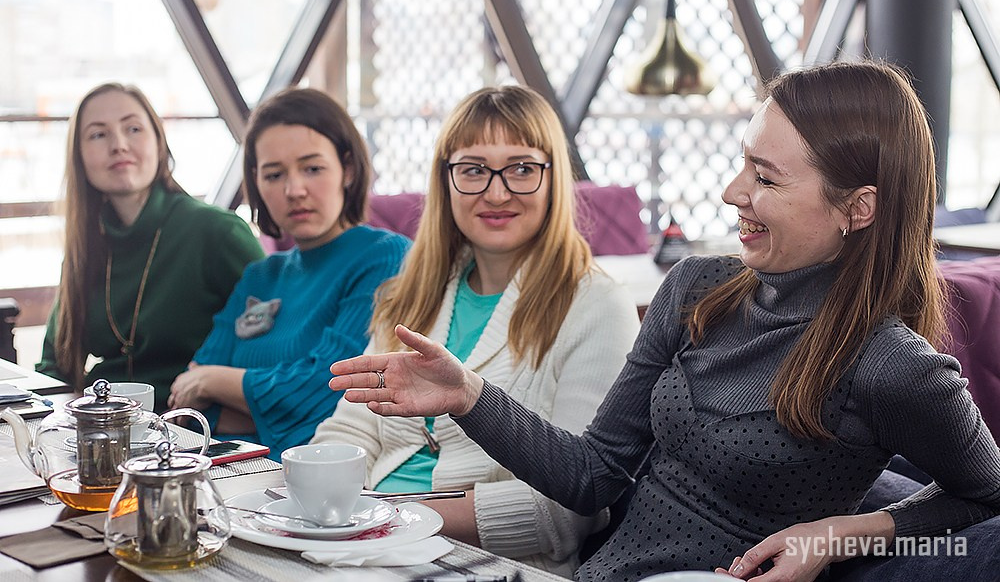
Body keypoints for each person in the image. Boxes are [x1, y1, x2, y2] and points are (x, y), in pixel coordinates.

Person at [326, 61, 1000, 582]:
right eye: (742, 164)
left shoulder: (893, 364)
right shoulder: (697, 288)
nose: (733, 191)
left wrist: (840, 535)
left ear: (859, 208)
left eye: (764, 177)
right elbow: (592, 475)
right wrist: (469, 396)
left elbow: (986, 497)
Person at [311, 85, 640, 576]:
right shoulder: (411, 294)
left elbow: (572, 506)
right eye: (473, 170)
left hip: (492, 563)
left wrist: (391, 518)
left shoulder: (596, 304)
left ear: (555, 178)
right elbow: (351, 426)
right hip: (363, 543)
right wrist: (318, 492)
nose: (496, 192)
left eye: (522, 168)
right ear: (446, 180)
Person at [168, 87, 409, 458]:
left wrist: (214, 383)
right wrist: (220, 391)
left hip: (310, 483)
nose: (294, 190)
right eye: (274, 174)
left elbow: (331, 391)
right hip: (217, 470)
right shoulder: (260, 276)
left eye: (312, 168)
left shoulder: (383, 257)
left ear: (347, 169)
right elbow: (188, 399)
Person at [38, 83, 264, 411]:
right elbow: (53, 366)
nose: (119, 145)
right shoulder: (85, 248)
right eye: (98, 135)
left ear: (159, 143)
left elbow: (273, 349)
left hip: (192, 428)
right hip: (104, 426)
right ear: (79, 158)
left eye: (133, 128)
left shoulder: (217, 231)